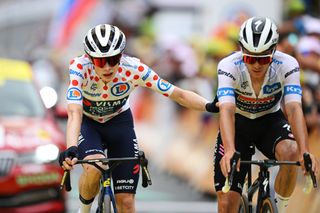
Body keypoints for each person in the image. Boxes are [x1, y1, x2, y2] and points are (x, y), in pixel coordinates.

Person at [58, 24, 216, 213]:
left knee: (126, 202)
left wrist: (210, 105)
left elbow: (178, 94)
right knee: (94, 166)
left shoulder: (133, 68)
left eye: (113, 59)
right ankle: (83, 210)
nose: (108, 67)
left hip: (119, 123)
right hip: (89, 123)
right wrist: (72, 148)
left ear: (121, 56)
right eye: (101, 62)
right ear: (90, 59)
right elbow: (75, 112)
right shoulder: (79, 67)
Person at [212, 16, 319, 213]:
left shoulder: (288, 64)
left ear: (274, 50)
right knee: (227, 203)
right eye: (250, 58)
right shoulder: (228, 65)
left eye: (263, 58)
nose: (257, 65)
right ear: (241, 50)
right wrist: (229, 150)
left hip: (270, 121)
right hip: (239, 125)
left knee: (292, 151)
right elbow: (226, 110)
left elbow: (294, 109)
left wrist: (305, 150)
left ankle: (279, 207)